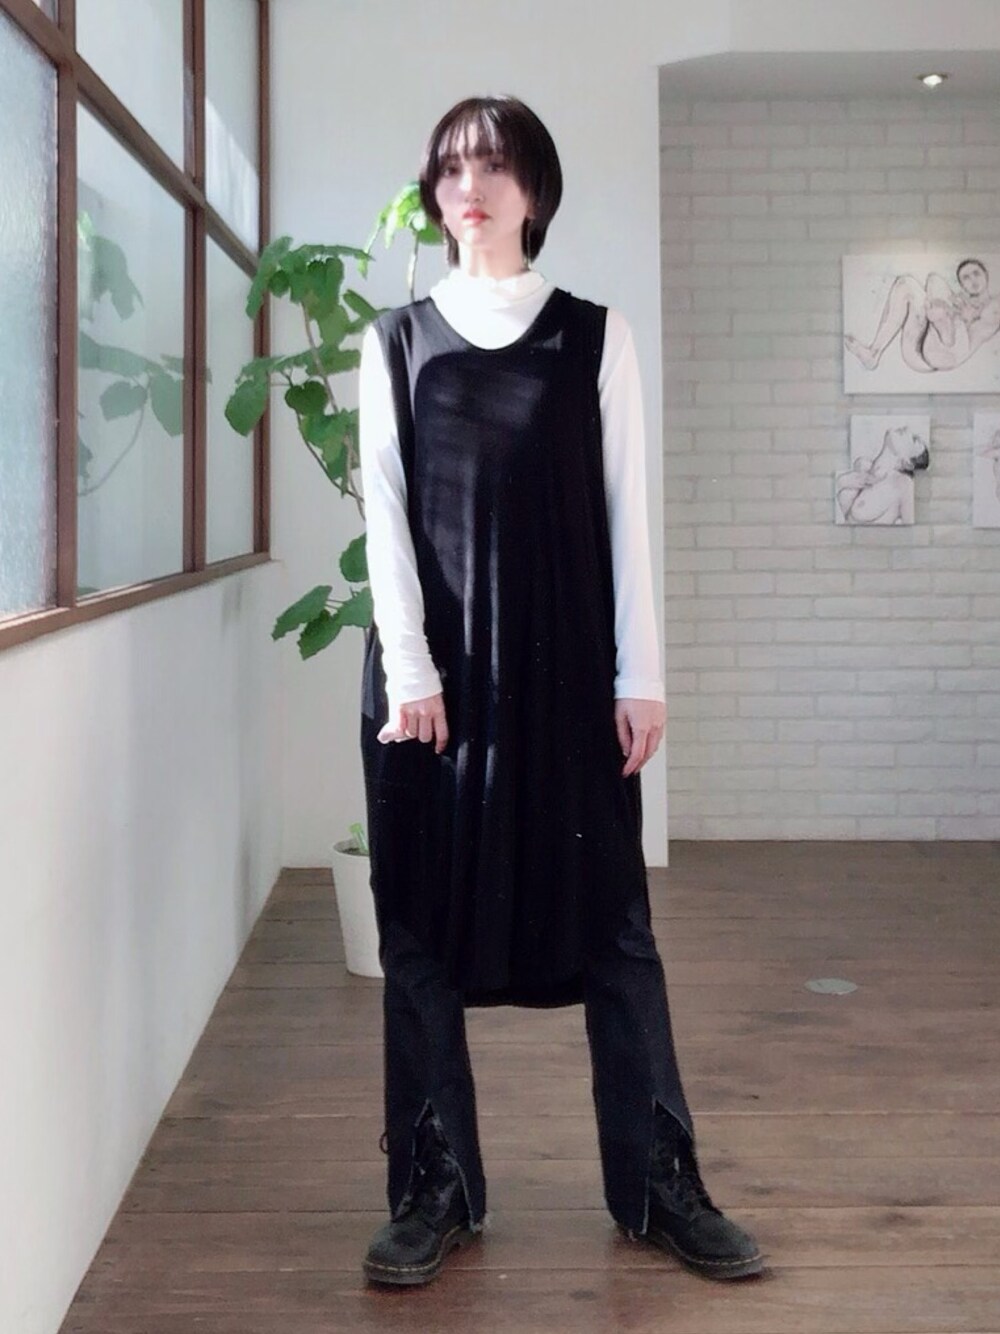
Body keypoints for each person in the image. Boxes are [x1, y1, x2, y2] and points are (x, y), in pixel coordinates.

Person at [357, 93, 764, 1288]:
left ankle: (658, 1182)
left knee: (616, 930)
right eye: (448, 169)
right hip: (434, 688)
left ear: (534, 188)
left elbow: (627, 514)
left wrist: (643, 675)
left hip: (569, 674)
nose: (466, 187)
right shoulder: (394, 340)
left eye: (490, 165)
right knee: (418, 929)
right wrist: (411, 665)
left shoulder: (594, 336)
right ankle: (434, 1185)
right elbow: (384, 512)